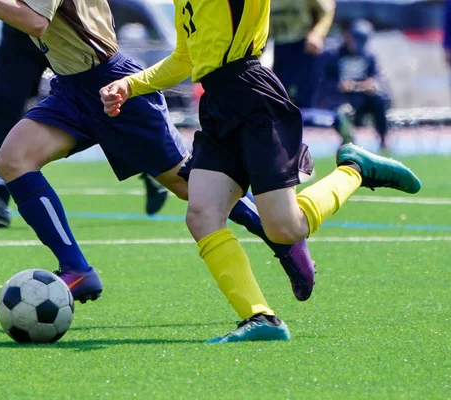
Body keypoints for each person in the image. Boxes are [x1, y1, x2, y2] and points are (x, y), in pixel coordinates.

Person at [100, 1, 421, 343]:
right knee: (202, 215)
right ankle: (260, 317)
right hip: (217, 105)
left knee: (285, 228)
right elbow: (185, 58)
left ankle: (357, 168)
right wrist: (131, 85)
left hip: (253, 96)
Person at [0, 0, 316, 310]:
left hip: (112, 83)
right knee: (12, 160)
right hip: (72, 89)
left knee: (188, 186)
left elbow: (35, 22)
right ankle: (77, 269)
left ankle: (281, 238)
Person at [0, 23, 169, 228]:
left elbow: (39, 20)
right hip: (20, 30)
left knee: (101, 100)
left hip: (65, 29)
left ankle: (150, 162)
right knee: (6, 104)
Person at [319, 20, 391, 151]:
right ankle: (347, 139)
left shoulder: (369, 57)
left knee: (379, 100)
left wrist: (371, 84)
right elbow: (322, 81)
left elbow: (378, 77)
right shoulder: (333, 55)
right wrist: (338, 85)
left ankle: (383, 139)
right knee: (343, 111)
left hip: (363, 98)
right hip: (341, 99)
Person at [270, 0, 335, 108]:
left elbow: (328, 9)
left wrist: (317, 34)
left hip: (304, 44)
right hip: (277, 44)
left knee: (304, 97)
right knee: (278, 95)